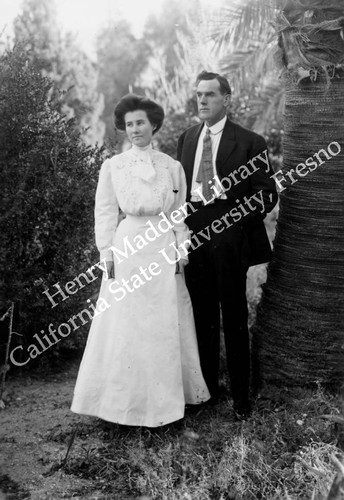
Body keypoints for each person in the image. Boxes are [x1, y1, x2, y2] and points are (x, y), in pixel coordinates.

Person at [71, 94, 210, 427]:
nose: (135, 129)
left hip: (162, 247)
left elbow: (179, 215)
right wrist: (106, 251)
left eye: (141, 123)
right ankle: (121, 406)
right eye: (129, 124)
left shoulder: (171, 167)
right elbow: (104, 211)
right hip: (129, 244)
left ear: (154, 125)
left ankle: (166, 404)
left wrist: (181, 250)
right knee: (126, 321)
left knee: (163, 320)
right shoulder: (113, 167)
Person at [177, 71, 278, 418]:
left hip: (230, 230)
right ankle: (207, 393)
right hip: (195, 233)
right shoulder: (187, 139)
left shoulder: (250, 142)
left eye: (210, 95)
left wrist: (234, 223)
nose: (202, 100)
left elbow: (267, 194)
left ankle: (240, 399)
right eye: (199, 95)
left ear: (226, 99)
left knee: (233, 315)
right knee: (202, 316)